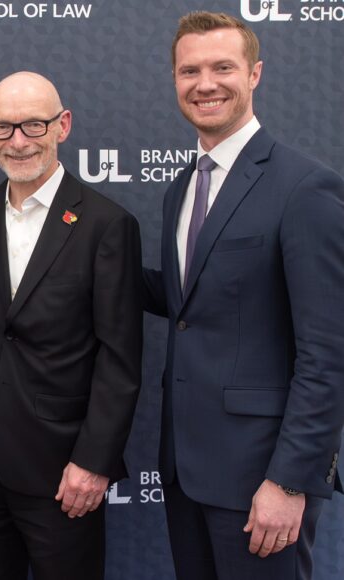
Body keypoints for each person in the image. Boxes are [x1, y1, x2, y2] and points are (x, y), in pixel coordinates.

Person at [143, 12, 344, 580]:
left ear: (254, 74)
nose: (205, 83)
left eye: (222, 67)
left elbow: (327, 354)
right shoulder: (181, 188)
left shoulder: (305, 187)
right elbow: (192, 299)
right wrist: (87, 260)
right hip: (186, 469)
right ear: (175, 81)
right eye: (190, 70)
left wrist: (289, 481)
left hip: (262, 479)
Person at [0, 71, 143, 580]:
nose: (19, 141)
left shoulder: (106, 224)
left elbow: (120, 359)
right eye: (4, 128)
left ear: (63, 125)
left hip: (63, 471)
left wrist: (94, 462)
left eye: (34, 124)